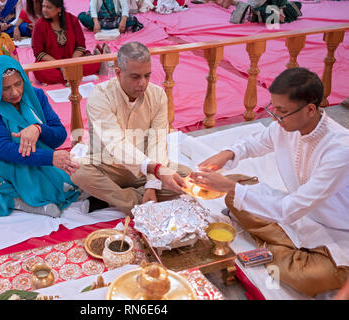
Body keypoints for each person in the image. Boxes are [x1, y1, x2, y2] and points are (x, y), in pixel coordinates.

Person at [189, 68, 349, 297]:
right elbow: (255, 144)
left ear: (310, 110)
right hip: (295, 215)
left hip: (336, 232)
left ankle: (272, 248)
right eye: (273, 109)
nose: (276, 118)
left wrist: (228, 186)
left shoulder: (339, 150)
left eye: (281, 112)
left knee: (307, 277)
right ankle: (278, 247)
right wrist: (227, 153)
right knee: (235, 193)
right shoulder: (287, 125)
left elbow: (292, 208)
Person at [0, 55, 81, 217]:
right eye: (5, 88)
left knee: (82, 170)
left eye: (18, 83)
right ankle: (18, 202)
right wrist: (49, 158)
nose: (15, 92)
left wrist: (38, 128)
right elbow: (0, 148)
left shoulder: (36, 96)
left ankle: (7, 192)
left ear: (24, 79)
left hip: (30, 158)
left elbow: (59, 135)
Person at [70, 42, 190, 216]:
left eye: (147, 76)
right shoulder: (100, 96)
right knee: (77, 170)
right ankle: (137, 201)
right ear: (118, 73)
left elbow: (157, 142)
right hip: (109, 166)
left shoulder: (157, 95)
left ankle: (118, 198)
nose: (143, 83)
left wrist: (152, 183)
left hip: (145, 169)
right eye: (135, 77)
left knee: (186, 178)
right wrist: (156, 172)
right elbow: (116, 144)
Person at [31, 0, 101, 85]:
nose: (44, 10)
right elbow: (38, 52)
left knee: (94, 63)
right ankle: (77, 77)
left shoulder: (72, 20)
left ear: (59, 9)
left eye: (48, 7)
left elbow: (81, 46)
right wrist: (60, 66)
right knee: (40, 71)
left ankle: (65, 78)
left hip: (73, 59)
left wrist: (70, 64)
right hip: (52, 63)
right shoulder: (39, 24)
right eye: (43, 6)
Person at [78, 0, 143, 34]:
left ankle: (102, 29)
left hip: (115, 18)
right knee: (82, 16)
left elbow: (125, 7)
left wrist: (123, 21)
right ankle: (109, 28)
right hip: (100, 19)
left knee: (132, 20)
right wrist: (96, 22)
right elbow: (92, 8)